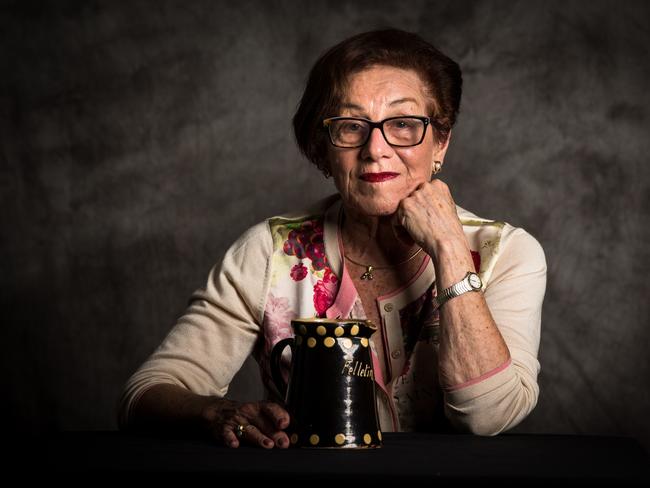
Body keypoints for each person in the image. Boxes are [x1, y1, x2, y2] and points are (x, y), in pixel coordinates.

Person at [118, 28, 546, 449]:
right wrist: (216, 413)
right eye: (350, 126)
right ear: (323, 149)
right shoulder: (270, 253)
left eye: (402, 123)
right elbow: (146, 394)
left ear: (440, 142)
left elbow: (487, 416)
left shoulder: (508, 252)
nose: (376, 148)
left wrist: (450, 247)